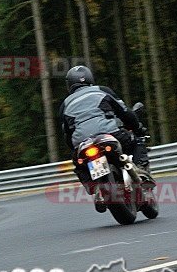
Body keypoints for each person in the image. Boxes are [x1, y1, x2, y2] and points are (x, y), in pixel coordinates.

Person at [58, 66, 151, 202]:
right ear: (90, 78)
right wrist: (138, 128)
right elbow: (125, 112)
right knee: (137, 140)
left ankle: (95, 188)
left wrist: (75, 149)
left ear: (69, 84)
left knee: (79, 165)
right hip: (110, 134)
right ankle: (141, 172)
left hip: (83, 144)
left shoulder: (65, 104)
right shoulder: (102, 91)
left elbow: (67, 134)